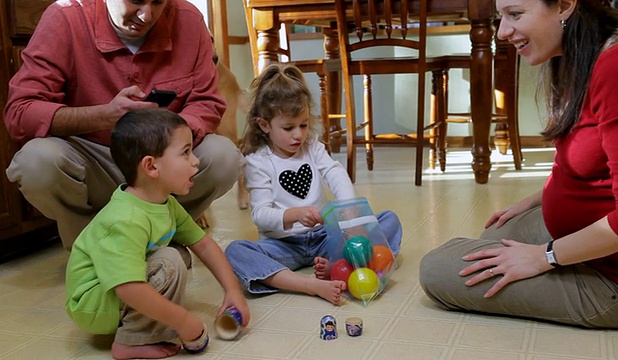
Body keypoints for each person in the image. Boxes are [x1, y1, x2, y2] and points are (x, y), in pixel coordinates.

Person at [419, 0, 618, 328]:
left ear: (564, 6)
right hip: (584, 235)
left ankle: (574, 269)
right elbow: (584, 159)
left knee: (436, 270)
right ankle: (565, 258)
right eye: (500, 17)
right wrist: (537, 199)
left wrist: (544, 257)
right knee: (497, 234)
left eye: (515, 14)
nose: (503, 32)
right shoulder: (576, 51)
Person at [3, 0, 243, 250]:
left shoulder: (188, 18)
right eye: (136, 0)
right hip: (93, 160)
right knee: (35, 161)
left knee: (223, 156)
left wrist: (168, 137)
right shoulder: (64, 17)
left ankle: (166, 234)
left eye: (158, 2)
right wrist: (104, 115)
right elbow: (21, 112)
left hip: (160, 162)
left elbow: (207, 102)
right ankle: (92, 246)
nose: (146, 15)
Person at [65, 108, 250, 360]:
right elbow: (128, 288)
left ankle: (141, 321)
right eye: (186, 153)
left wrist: (232, 291)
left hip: (112, 293)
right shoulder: (126, 218)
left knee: (178, 255)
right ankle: (130, 341)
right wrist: (183, 320)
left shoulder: (165, 203)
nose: (196, 161)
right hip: (93, 305)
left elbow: (204, 245)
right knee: (170, 261)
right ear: (151, 167)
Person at [224, 64, 402, 305]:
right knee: (236, 251)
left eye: (304, 125)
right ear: (264, 125)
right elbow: (261, 214)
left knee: (388, 220)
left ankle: (337, 265)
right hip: (283, 245)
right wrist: (294, 215)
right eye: (288, 128)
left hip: (324, 238)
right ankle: (309, 284)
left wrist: (350, 213)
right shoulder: (258, 161)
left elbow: (334, 172)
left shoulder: (312, 146)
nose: (298, 135)